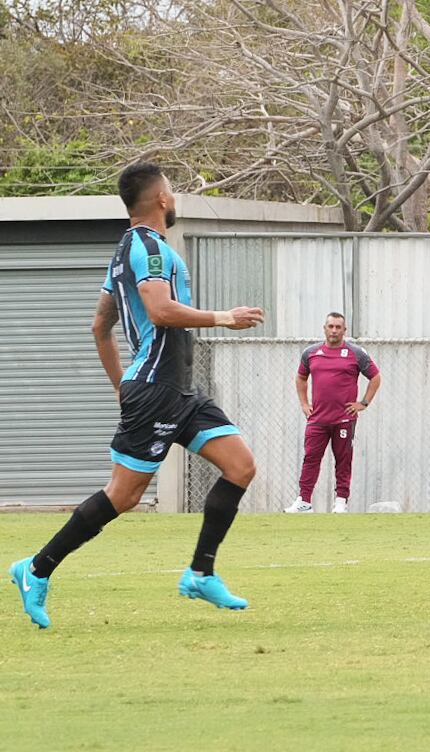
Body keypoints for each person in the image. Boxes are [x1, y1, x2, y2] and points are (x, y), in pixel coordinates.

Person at [9, 162, 263, 629]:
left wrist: (119, 387)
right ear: (162, 198)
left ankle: (201, 573)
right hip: (156, 390)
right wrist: (224, 317)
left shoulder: (127, 251)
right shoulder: (147, 248)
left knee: (240, 465)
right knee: (123, 496)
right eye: (172, 189)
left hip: (179, 391)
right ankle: (37, 569)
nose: (174, 195)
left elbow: (98, 326)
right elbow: (160, 311)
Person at [286, 313, 382, 514]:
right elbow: (301, 378)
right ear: (325, 328)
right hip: (317, 419)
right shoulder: (311, 353)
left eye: (338, 327)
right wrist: (304, 403)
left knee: (343, 460)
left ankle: (341, 502)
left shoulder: (356, 353)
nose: (334, 330)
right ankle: (304, 501)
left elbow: (375, 377)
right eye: (331, 326)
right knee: (311, 458)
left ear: (344, 330)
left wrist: (363, 403)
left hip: (344, 419)